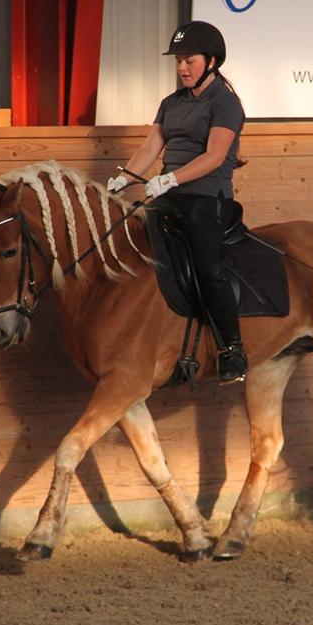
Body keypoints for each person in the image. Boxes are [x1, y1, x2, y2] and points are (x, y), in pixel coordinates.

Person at [109, 20, 248, 384]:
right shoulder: (170, 103)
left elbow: (216, 156)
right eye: (179, 61)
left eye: (190, 60)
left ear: (212, 61)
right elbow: (149, 148)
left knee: (207, 269)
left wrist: (171, 177)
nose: (182, 67)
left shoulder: (226, 104)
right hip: (168, 198)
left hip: (206, 200)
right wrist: (124, 179)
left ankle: (232, 348)